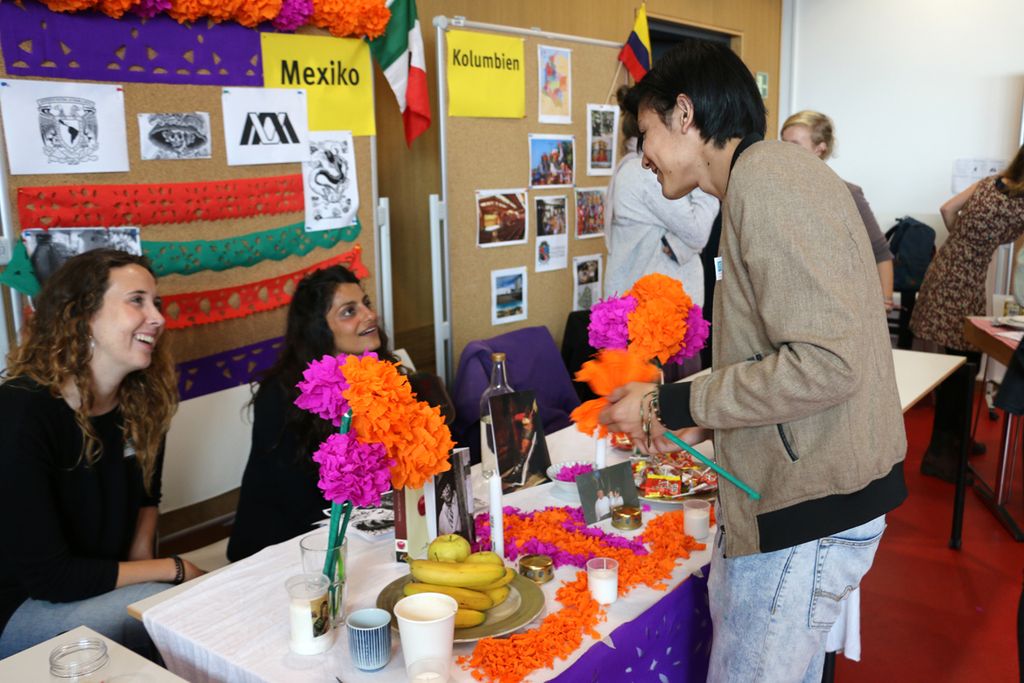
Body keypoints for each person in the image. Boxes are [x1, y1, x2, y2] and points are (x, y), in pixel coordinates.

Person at [598, 41, 906, 682]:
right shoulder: (764, 181)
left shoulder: (766, 179)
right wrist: (704, 420)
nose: (643, 156)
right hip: (807, 497)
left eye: (644, 134)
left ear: (684, 115)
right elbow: (783, 353)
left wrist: (672, 402)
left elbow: (825, 362)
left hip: (807, 510)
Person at [0, 249, 203, 659]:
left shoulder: (145, 401)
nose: (158, 318)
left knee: (180, 606)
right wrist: (171, 570)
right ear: (82, 316)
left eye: (156, 303)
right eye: (137, 300)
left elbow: (148, 497)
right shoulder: (20, 412)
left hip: (103, 585)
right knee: (178, 611)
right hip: (22, 607)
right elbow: (51, 578)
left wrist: (147, 573)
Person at [227, 265, 403, 562]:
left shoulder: (386, 373)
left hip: (363, 529)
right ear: (318, 329)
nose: (369, 315)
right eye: (349, 311)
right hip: (286, 545)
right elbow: (293, 496)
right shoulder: (281, 394)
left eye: (366, 304)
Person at [910, 143, 1024, 480]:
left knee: (959, 360)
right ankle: (941, 453)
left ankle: (956, 438)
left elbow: (947, 210)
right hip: (965, 280)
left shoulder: (991, 182)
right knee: (960, 367)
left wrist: (964, 238)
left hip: (945, 268)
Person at [604, 85, 719, 304]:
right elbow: (697, 231)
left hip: (648, 303)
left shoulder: (631, 166)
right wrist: (710, 179)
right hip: (655, 310)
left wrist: (679, 244)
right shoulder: (643, 172)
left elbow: (686, 232)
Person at [780, 110, 896, 310]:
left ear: (820, 149)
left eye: (795, 145)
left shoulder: (847, 194)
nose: (786, 151)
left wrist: (884, 301)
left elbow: (880, 253)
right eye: (783, 143)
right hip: (788, 301)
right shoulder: (777, 190)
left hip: (834, 304)